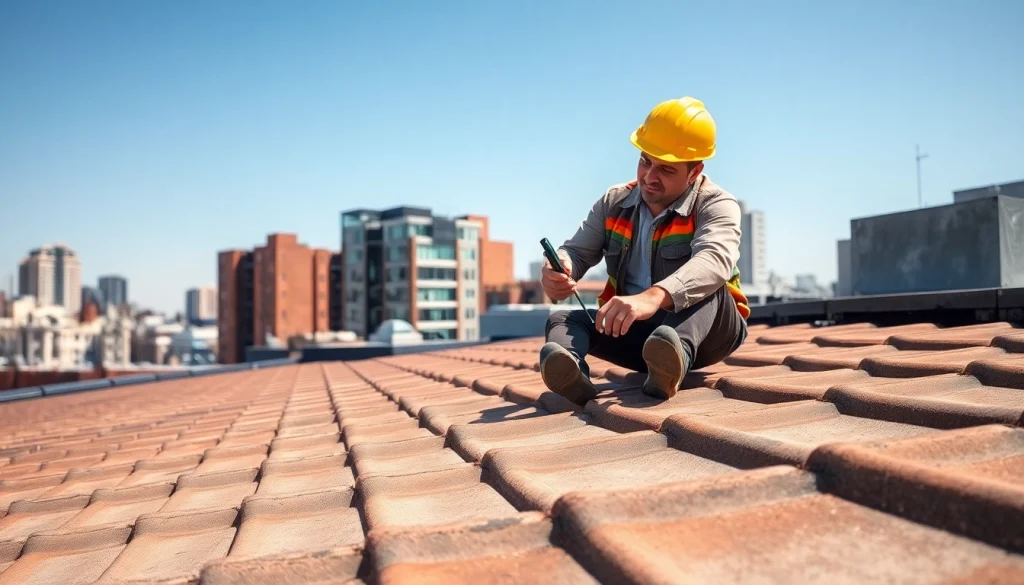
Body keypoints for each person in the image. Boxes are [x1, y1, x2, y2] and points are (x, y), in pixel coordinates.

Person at [540, 97, 750, 405]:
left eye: (665, 169)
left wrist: (652, 298)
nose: (649, 177)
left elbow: (714, 261)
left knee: (710, 288)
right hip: (639, 336)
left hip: (710, 334)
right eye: (645, 161)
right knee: (561, 320)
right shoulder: (614, 201)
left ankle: (672, 357)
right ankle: (573, 375)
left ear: (694, 171)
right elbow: (576, 251)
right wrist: (558, 268)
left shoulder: (716, 204)